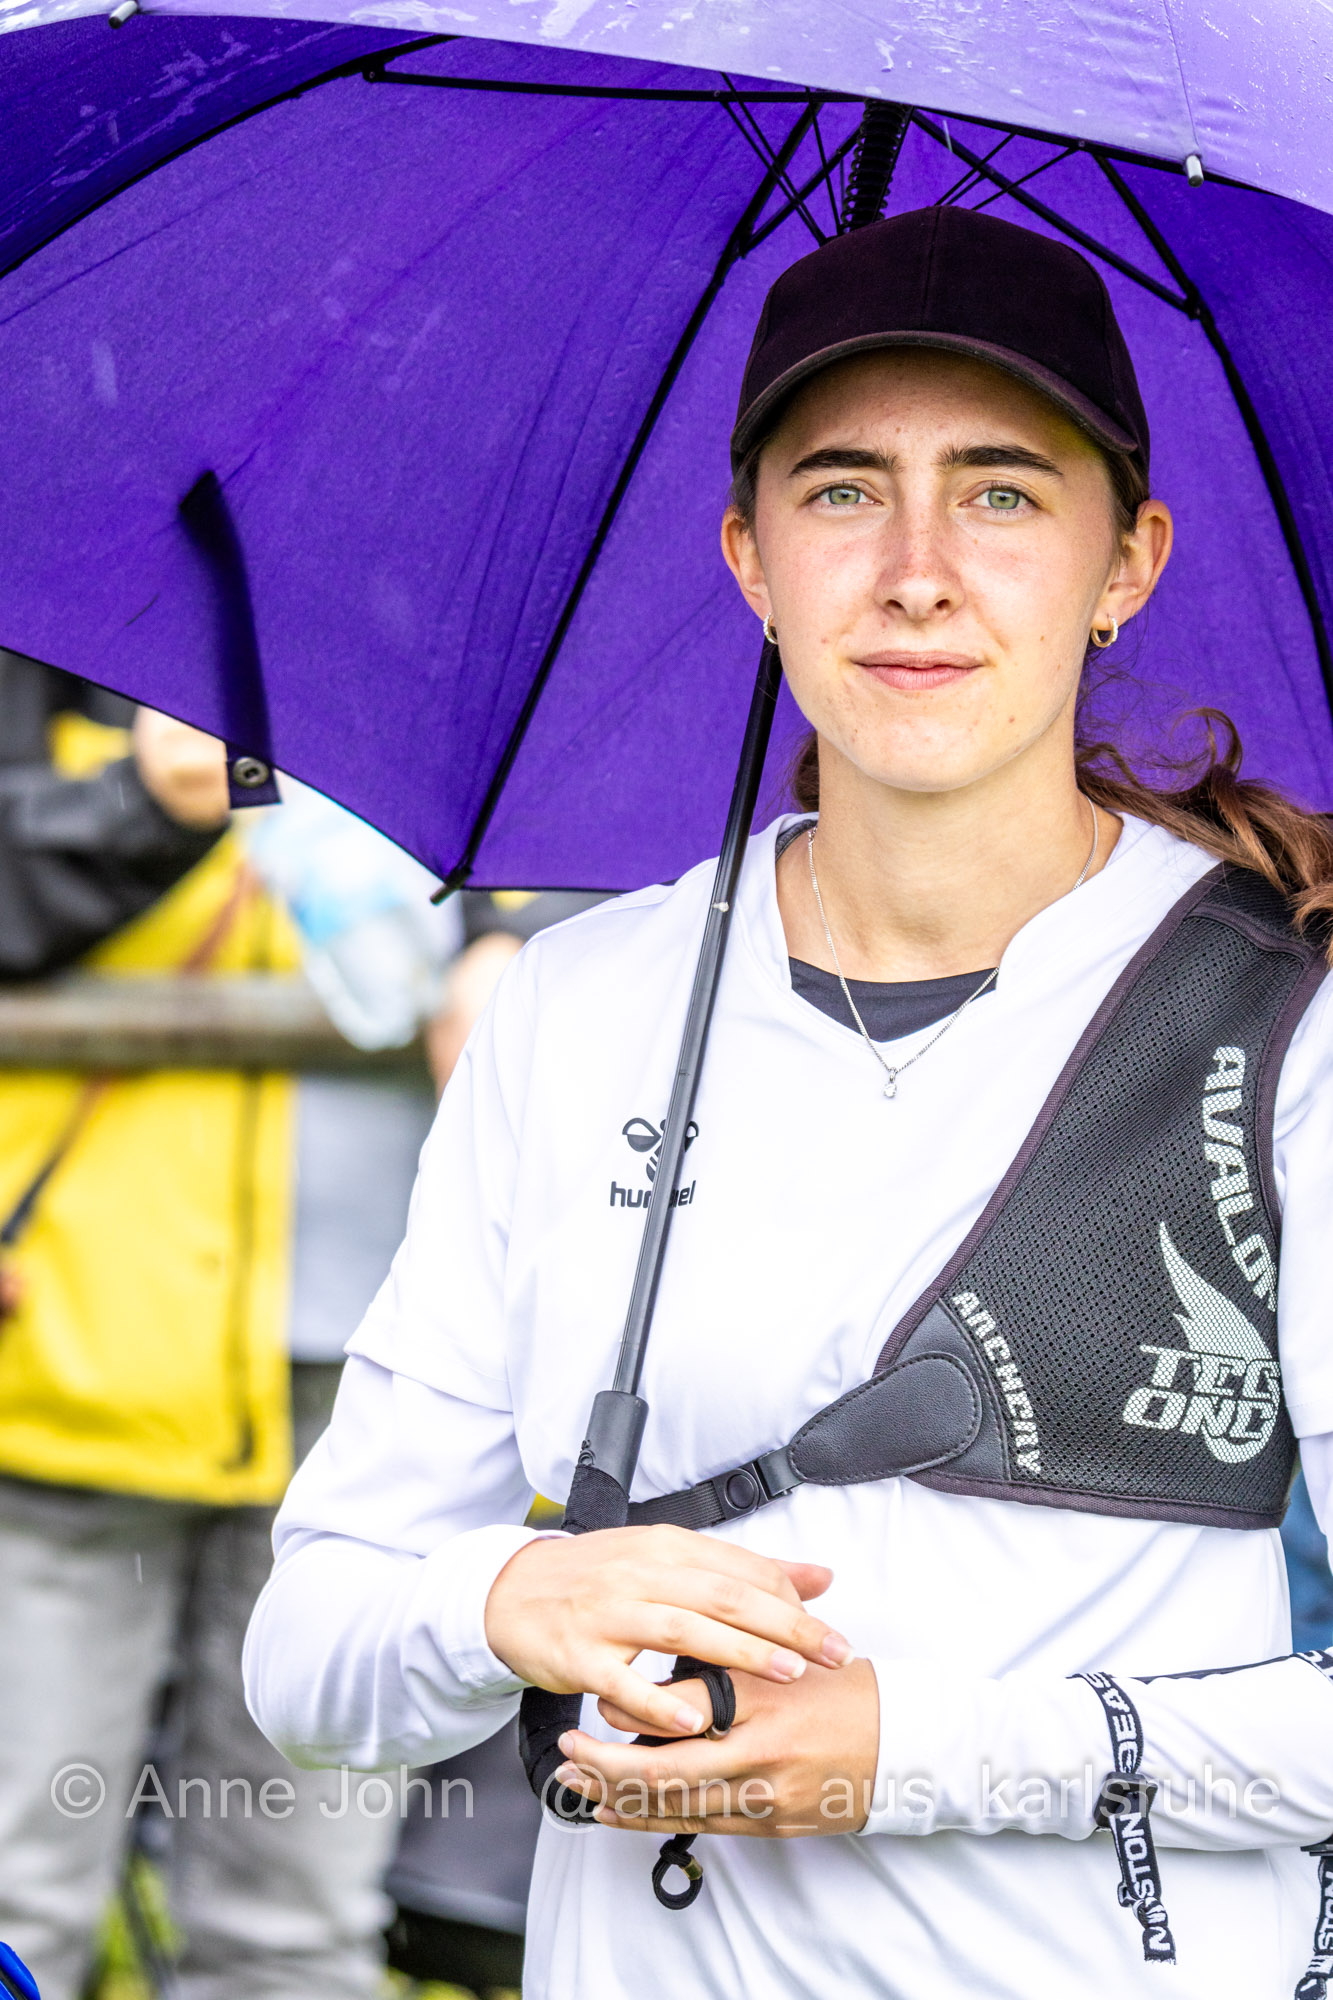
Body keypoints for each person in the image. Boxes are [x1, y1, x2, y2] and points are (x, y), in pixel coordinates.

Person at [244, 207, 1333, 2000]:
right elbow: (308, 1662)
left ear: (1124, 561)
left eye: (999, 493)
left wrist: (922, 1754)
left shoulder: (1284, 1017)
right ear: (748, 558)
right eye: (841, 491)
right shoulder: (580, 1007)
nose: (915, 571)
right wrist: (495, 1605)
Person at [0, 659, 452, 2000]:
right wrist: (139, 802)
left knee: (294, 1926)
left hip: (377, 1371)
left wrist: (509, 929)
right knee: (17, 1898)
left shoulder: (445, 620)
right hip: (63, 1348)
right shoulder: (50, 605)